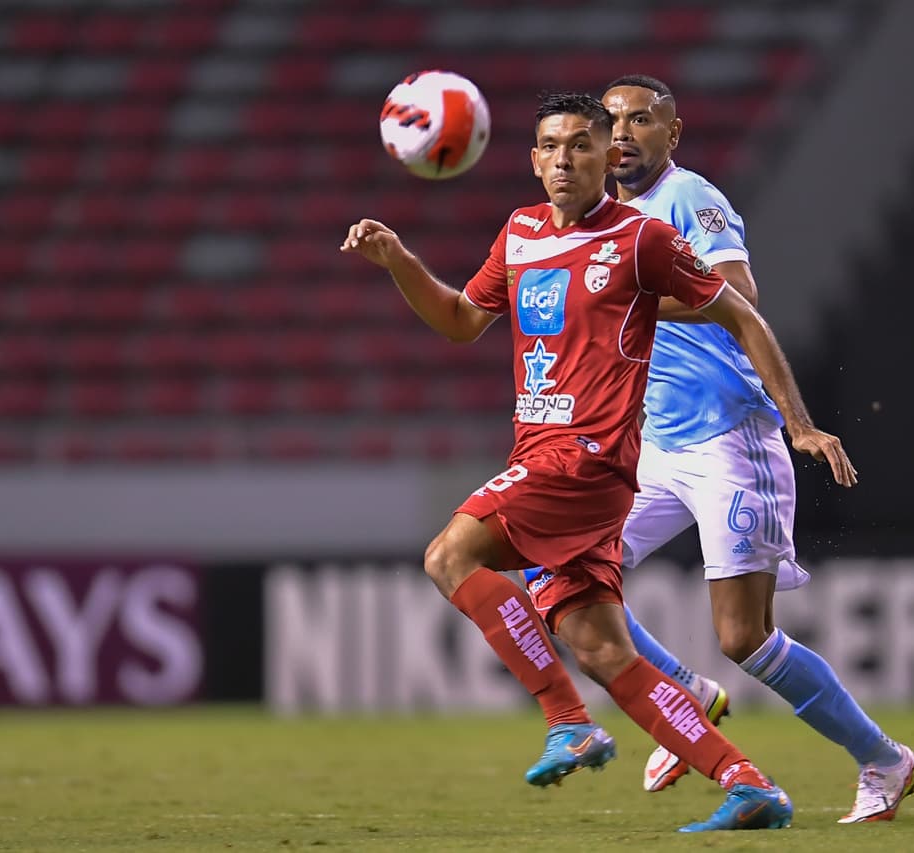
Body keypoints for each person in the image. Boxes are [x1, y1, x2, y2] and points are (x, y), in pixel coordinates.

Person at [342, 92, 856, 832]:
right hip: (545, 455)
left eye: (581, 145)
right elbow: (460, 321)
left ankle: (565, 722)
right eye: (550, 146)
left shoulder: (639, 239)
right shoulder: (518, 232)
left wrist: (797, 423)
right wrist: (397, 260)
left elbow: (741, 311)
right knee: (602, 649)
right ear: (531, 159)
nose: (563, 159)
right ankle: (748, 784)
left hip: (587, 459)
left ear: (605, 156)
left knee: (449, 553)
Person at [526, 74, 914, 824]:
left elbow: (739, 293)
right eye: (610, 122)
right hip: (649, 448)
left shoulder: (690, 199)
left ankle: (883, 758)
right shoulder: (597, 219)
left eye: (641, 121)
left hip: (727, 440)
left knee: (744, 636)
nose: (622, 135)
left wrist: (797, 420)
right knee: (556, 568)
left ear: (670, 136)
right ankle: (683, 691)